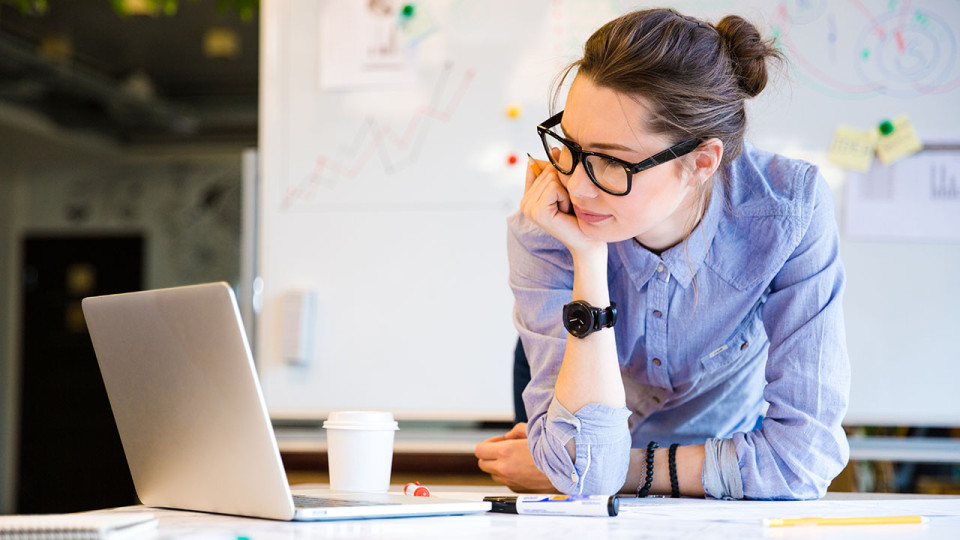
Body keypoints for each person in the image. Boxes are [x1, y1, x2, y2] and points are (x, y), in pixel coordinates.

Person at [474, 8, 850, 500]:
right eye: (570, 145)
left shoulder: (786, 211)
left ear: (700, 162)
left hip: (724, 467)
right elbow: (580, 472)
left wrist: (623, 470)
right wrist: (588, 259)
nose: (578, 186)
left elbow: (800, 461)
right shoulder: (551, 219)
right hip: (603, 434)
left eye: (611, 161)